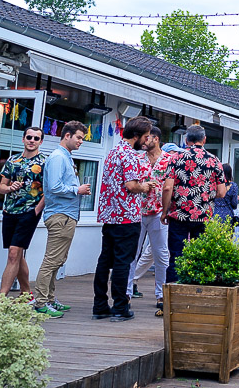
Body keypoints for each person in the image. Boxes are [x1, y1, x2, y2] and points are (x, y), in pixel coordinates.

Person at [93, 115, 156, 322]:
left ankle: (100, 305)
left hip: (109, 216)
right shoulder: (129, 155)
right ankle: (120, 306)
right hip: (126, 216)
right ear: (136, 136)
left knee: (104, 261)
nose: (147, 141)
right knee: (123, 262)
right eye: (146, 137)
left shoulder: (113, 151)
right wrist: (144, 186)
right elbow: (131, 185)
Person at [33, 121, 91, 317]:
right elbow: (55, 187)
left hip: (65, 215)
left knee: (58, 260)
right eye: (79, 137)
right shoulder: (58, 158)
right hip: (61, 216)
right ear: (67, 136)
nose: (81, 142)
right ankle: (41, 302)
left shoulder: (65, 157)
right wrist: (78, 189)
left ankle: (49, 298)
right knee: (51, 261)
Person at [162, 125, 227, 282]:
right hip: (204, 216)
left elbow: (167, 187)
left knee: (177, 256)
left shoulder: (175, 158)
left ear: (186, 140)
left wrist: (164, 211)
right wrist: (206, 196)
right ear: (204, 140)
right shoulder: (214, 160)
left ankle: (173, 297)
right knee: (201, 258)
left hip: (179, 215)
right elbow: (222, 192)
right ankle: (197, 294)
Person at [127, 127, 171, 316]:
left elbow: (172, 187)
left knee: (161, 255)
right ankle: (127, 294)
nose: (143, 142)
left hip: (159, 213)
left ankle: (161, 295)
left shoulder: (169, 160)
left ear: (157, 138)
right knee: (132, 254)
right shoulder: (137, 158)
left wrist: (168, 210)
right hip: (137, 211)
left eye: (147, 138)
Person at [0, 126, 45, 297]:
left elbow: (49, 191)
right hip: (9, 210)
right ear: (23, 139)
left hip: (29, 211)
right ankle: (26, 294)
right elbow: (1, 188)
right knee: (17, 255)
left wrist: (36, 210)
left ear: (40, 141)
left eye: (36, 138)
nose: (32, 141)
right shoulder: (12, 160)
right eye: (29, 137)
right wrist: (9, 187)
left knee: (13, 253)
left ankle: (0, 298)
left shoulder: (44, 162)